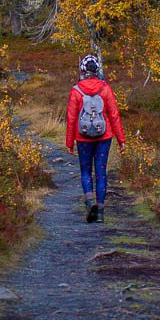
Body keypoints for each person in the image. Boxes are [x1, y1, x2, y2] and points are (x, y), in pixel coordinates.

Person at [65, 54, 125, 223]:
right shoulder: (105, 89)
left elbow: (71, 118)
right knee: (101, 172)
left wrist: (69, 143)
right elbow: (114, 115)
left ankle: (90, 202)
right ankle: (99, 212)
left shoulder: (76, 90)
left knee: (85, 172)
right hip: (104, 136)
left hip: (83, 138)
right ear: (97, 69)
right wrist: (121, 140)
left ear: (82, 70)